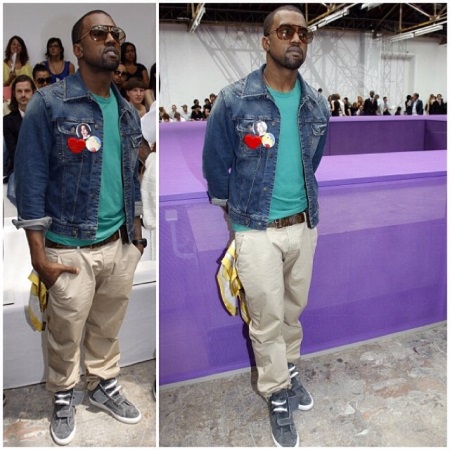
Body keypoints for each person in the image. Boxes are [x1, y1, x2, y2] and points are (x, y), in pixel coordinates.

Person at [13, 10, 147, 446]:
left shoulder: (126, 111)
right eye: (98, 33)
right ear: (77, 47)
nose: (110, 39)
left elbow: (131, 177)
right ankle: (63, 392)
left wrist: (136, 237)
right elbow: (30, 181)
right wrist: (39, 255)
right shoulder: (49, 103)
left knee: (107, 325)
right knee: (64, 332)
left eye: (115, 33)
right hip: (68, 248)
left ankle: (103, 382)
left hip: (119, 243)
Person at [202, 5, 330, 447]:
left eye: (303, 33)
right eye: (286, 31)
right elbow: (216, 166)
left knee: (293, 309)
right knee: (265, 317)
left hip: (304, 225)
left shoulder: (317, 104)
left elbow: (312, 162)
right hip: (256, 230)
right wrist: (239, 216)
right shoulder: (234, 100)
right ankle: (276, 391)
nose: (296, 39)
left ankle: (288, 367)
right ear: (266, 41)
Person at [3, 74, 36, 183]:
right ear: (14, 93)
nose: (23, 95)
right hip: (18, 169)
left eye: (27, 91)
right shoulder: (8, 121)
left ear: (34, 92)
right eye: (19, 91)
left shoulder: (44, 117)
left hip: (43, 169)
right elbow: (14, 153)